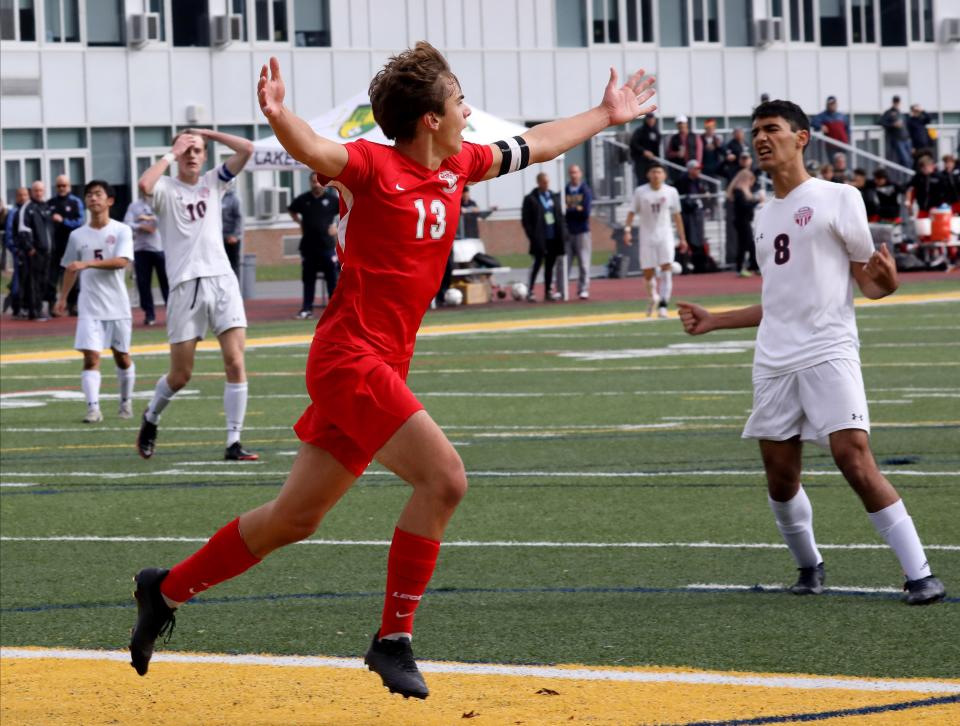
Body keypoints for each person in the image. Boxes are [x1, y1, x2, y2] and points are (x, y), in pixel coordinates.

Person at [126, 42, 656, 700]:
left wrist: (607, 114)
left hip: (377, 364)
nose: (468, 110)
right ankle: (393, 639)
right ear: (431, 119)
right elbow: (317, 151)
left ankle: (164, 589)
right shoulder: (373, 166)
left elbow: (538, 143)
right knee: (446, 480)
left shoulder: (459, 163)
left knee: (294, 519)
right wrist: (279, 115)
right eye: (459, 99)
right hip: (350, 359)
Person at [678, 99, 945, 606]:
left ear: (801, 137)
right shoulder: (761, 216)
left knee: (853, 457)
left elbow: (871, 282)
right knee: (781, 478)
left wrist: (889, 282)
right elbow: (776, 301)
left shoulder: (840, 197)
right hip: (774, 360)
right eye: (755, 131)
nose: (760, 138)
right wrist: (716, 321)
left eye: (771, 129)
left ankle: (920, 574)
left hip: (828, 349)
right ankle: (809, 567)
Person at [135, 128, 257, 462]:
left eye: (197, 150)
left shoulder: (214, 181)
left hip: (222, 282)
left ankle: (233, 442)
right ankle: (152, 416)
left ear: (205, 156)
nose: (192, 155)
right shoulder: (165, 187)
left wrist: (204, 134)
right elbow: (144, 185)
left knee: (235, 361)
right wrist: (171, 152)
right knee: (181, 375)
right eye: (186, 150)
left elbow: (247, 147)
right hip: (186, 287)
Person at [54, 180, 136, 423]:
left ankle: (125, 402)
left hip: (117, 305)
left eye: (98, 194)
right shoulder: (77, 235)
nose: (93, 198)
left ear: (109, 200)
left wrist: (87, 263)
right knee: (91, 356)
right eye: (89, 194)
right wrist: (62, 298)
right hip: (89, 306)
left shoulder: (122, 230)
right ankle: (93, 408)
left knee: (122, 356)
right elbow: (70, 268)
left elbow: (121, 261)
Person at [623, 162, 688, 318]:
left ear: (664, 175)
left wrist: (682, 238)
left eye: (659, 172)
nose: (656, 175)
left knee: (666, 268)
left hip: (665, 235)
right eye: (653, 171)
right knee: (648, 273)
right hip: (647, 236)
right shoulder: (641, 192)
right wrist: (627, 231)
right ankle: (653, 297)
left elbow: (677, 215)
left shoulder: (671, 192)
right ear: (648, 174)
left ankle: (663, 305)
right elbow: (632, 212)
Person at [288, 172, 339, 319]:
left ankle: (334, 310)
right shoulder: (303, 200)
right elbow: (292, 210)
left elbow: (347, 213)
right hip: (308, 247)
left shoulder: (333, 200)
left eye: (318, 182)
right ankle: (306, 309)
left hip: (327, 246)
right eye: (313, 182)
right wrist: (299, 222)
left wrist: (336, 226)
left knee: (332, 279)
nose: (316, 185)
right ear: (310, 182)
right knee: (308, 279)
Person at [12, 181, 54, 320]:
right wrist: (30, 248)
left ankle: (39, 307)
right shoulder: (27, 208)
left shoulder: (46, 207)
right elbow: (23, 230)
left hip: (47, 252)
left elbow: (48, 230)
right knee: (33, 281)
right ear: (31, 192)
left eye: (41, 190)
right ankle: (34, 310)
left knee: (43, 280)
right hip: (35, 252)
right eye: (36, 190)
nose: (38, 193)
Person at [124, 194, 168, 326]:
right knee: (143, 284)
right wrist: (141, 226)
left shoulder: (162, 202)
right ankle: (149, 314)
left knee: (166, 282)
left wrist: (148, 218)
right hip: (140, 249)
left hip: (160, 248)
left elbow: (163, 221)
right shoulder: (134, 206)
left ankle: (172, 312)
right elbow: (127, 223)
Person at [522, 172, 566, 302]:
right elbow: (526, 221)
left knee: (550, 265)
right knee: (537, 264)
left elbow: (559, 215)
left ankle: (548, 291)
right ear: (539, 183)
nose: (547, 185)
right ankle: (530, 291)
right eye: (544, 182)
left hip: (553, 237)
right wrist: (532, 237)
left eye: (548, 182)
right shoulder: (531, 198)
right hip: (539, 238)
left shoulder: (553, 196)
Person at [47, 174, 86, 316]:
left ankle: (72, 304)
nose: (61, 188)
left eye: (64, 185)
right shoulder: (50, 203)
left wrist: (63, 221)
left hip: (71, 244)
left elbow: (79, 221)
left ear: (69, 186)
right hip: (55, 246)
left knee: (72, 273)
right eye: (59, 185)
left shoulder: (76, 202)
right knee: (52, 276)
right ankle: (53, 306)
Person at [564, 164, 592, 300]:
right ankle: (562, 289)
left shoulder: (585, 190)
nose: (573, 175)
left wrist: (571, 208)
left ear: (580, 174)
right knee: (565, 262)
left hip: (582, 231)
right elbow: (564, 211)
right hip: (569, 231)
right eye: (571, 172)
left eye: (576, 172)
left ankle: (583, 289)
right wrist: (576, 208)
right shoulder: (566, 190)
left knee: (584, 262)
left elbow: (585, 212)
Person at [674, 159, 708, 272]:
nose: (698, 171)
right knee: (688, 239)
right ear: (690, 169)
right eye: (696, 168)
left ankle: (699, 265)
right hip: (687, 214)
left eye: (699, 169)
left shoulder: (700, 181)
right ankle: (685, 265)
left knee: (698, 239)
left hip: (697, 214)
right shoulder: (681, 181)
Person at [727, 167, 761, 277]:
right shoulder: (738, 191)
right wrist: (756, 202)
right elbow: (744, 207)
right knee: (743, 245)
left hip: (745, 220)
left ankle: (754, 266)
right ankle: (739, 267)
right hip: (742, 221)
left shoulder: (743, 192)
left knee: (750, 244)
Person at [3, 187, 29, 317]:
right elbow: (9, 235)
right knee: (19, 281)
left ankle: (26, 306)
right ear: (16, 197)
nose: (23, 197)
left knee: (29, 280)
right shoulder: (13, 213)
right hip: (18, 252)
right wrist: (15, 249)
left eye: (25, 195)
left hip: (32, 253)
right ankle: (16, 306)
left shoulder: (31, 210)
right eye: (20, 195)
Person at [880, 96, 912, 168]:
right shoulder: (889, 112)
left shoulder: (901, 113)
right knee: (905, 160)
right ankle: (906, 177)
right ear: (893, 102)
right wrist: (893, 125)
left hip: (906, 139)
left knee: (910, 160)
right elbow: (881, 122)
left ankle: (907, 177)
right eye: (895, 101)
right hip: (898, 139)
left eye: (898, 102)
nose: (897, 103)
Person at [629, 113, 661, 185]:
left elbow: (657, 147)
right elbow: (633, 143)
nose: (651, 121)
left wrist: (656, 159)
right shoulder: (639, 131)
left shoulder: (656, 131)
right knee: (642, 181)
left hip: (652, 161)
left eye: (652, 119)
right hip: (641, 161)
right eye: (649, 119)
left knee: (653, 180)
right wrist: (644, 151)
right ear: (646, 120)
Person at [221, 182, 244, 278]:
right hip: (218, 238)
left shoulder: (234, 199)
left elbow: (239, 218)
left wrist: (235, 235)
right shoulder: (216, 197)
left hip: (231, 238)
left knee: (233, 265)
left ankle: (235, 290)